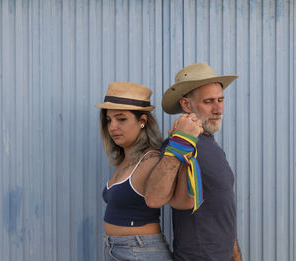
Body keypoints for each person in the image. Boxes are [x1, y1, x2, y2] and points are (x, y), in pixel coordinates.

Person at [145, 63, 242, 261]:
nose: (218, 109)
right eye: (208, 101)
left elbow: (223, 211)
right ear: (186, 105)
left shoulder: (214, 148)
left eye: (220, 100)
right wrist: (179, 144)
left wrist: (236, 257)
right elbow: (154, 198)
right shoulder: (176, 147)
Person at [95, 82, 173, 261]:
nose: (113, 126)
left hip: (140, 250)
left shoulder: (151, 159)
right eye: (109, 120)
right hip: (115, 248)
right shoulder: (125, 160)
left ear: (142, 121)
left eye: (121, 119)